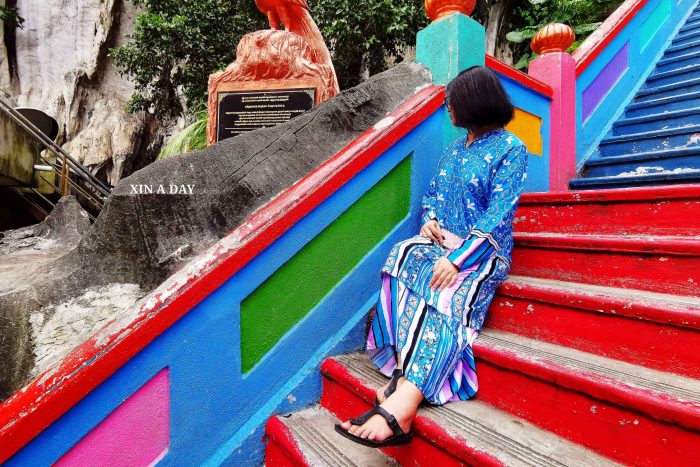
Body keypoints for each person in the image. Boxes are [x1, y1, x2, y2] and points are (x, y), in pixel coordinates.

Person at [334, 65, 529, 448]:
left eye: (452, 103)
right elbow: (432, 197)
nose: (448, 109)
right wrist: (430, 222)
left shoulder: (512, 149)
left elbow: (498, 215)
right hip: (442, 244)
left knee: (446, 290)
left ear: (474, 102)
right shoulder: (455, 149)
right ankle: (405, 369)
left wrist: (458, 260)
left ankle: (405, 400)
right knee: (401, 256)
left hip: (482, 253)